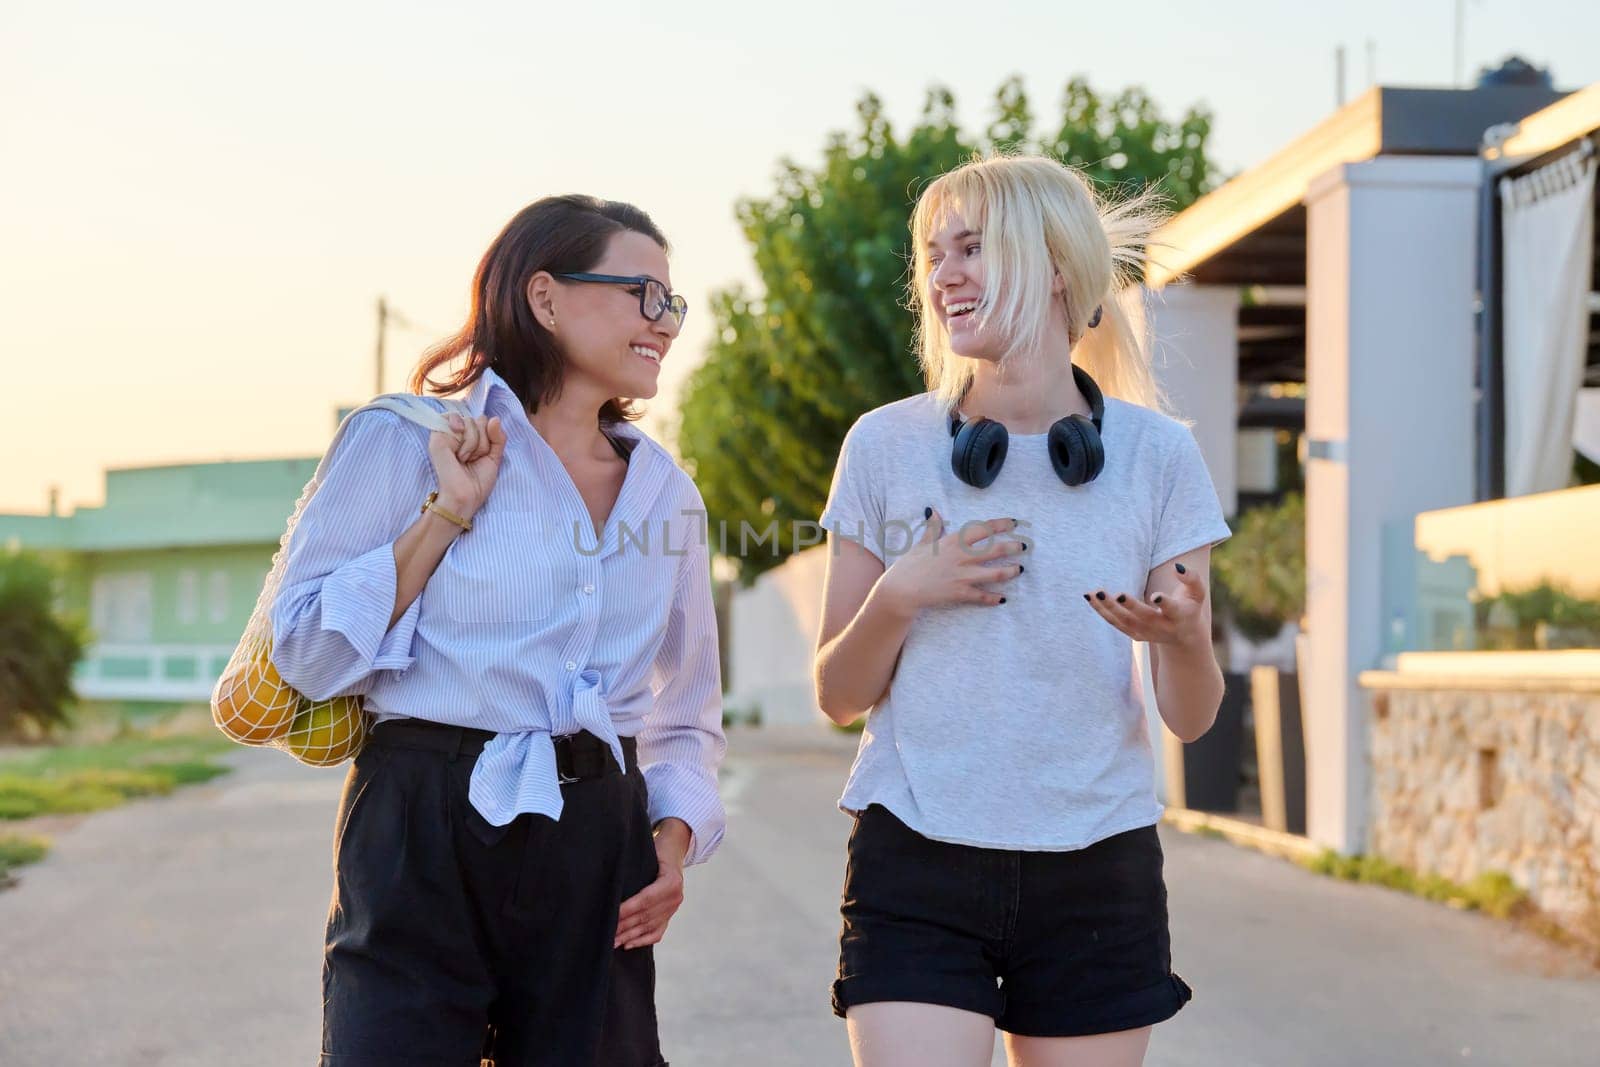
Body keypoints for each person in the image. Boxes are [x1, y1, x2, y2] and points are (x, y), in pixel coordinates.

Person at [270, 194, 725, 1067]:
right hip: (423, 817)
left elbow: (687, 710)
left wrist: (672, 840)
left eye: (671, 302)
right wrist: (448, 511)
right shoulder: (402, 441)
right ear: (545, 296)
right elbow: (309, 652)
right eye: (641, 292)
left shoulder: (668, 493)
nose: (663, 322)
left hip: (598, 829)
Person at [813, 155, 1231, 1067]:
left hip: (1096, 865)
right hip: (915, 853)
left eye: (972, 247)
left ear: (1054, 267)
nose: (943, 274)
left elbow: (1191, 716)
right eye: (934, 253)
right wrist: (900, 595)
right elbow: (837, 694)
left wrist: (1188, 637)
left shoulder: (1158, 457)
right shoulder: (885, 445)